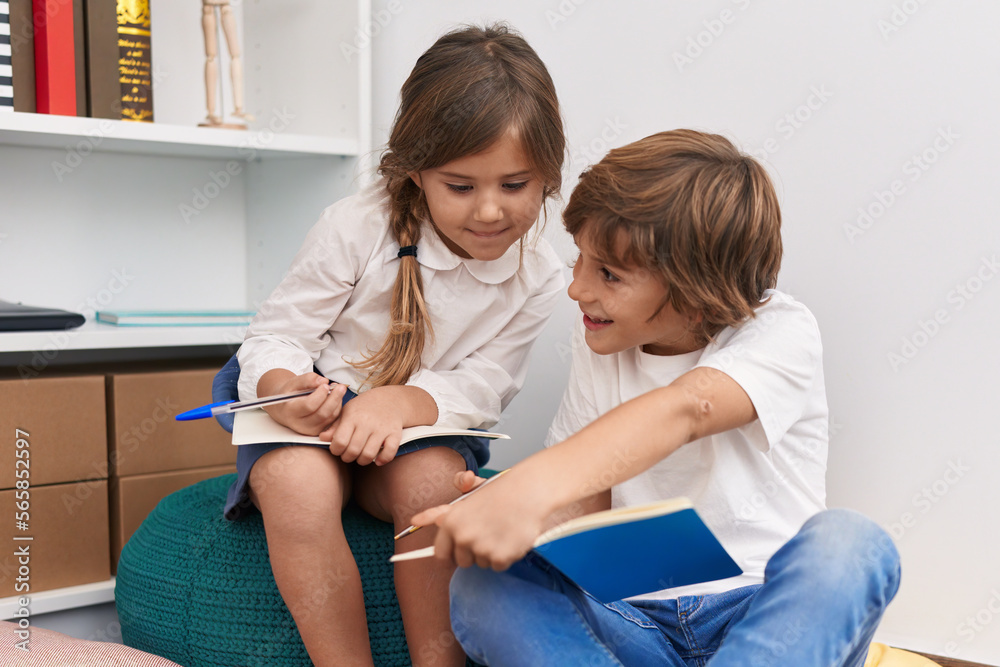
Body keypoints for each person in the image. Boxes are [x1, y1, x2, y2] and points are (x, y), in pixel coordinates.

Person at [413, 130, 901, 666]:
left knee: (852, 543)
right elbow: (590, 498)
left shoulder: (780, 329)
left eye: (609, 274)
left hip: (760, 612)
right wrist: (517, 511)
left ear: (695, 298)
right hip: (635, 622)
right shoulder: (600, 339)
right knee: (485, 587)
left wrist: (533, 486)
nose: (577, 289)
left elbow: (689, 408)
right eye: (580, 260)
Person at [225, 24, 566, 667]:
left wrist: (402, 405)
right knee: (297, 488)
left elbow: (486, 383)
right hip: (316, 409)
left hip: (413, 428)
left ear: (546, 174)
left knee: (434, 484)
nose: (490, 211)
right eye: (461, 187)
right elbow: (278, 335)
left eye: (515, 185)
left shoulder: (540, 272)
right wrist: (284, 389)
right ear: (416, 171)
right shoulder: (356, 225)